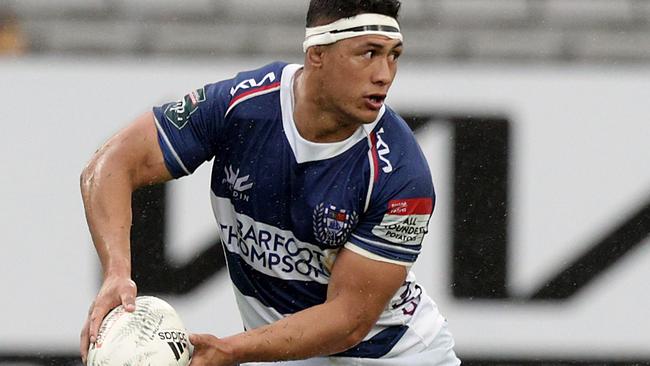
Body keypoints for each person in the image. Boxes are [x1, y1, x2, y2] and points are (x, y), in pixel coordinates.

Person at [79, 0, 460, 365]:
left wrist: (231, 350)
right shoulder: (241, 106)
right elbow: (109, 165)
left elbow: (348, 321)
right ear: (317, 54)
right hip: (279, 353)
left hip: (392, 355)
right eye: (368, 53)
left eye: (394, 55)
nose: (384, 74)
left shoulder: (401, 173)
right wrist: (116, 273)